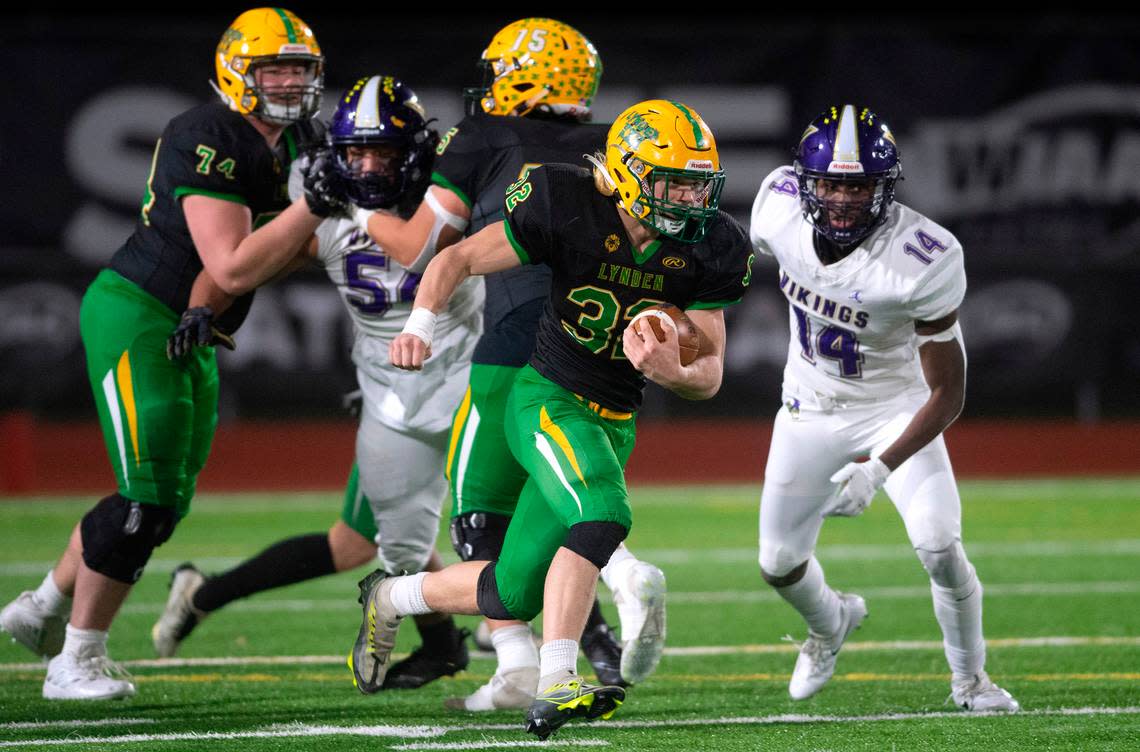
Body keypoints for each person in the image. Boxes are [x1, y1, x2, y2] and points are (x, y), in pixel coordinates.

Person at [357, 99, 755, 739]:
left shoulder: (713, 246)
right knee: (603, 514)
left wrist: (670, 370)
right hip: (546, 397)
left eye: (695, 183)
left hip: (616, 418)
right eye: (671, 181)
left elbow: (708, 371)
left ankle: (391, 596)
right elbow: (455, 259)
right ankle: (559, 680)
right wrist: (419, 327)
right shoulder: (567, 202)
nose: (687, 198)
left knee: (509, 593)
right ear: (626, 172)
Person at [0, 8, 326, 700]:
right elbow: (235, 263)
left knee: (165, 499)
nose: (291, 84)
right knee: (143, 502)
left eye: (301, 69)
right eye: (276, 69)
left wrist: (322, 229)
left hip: (193, 321)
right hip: (139, 313)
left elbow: (277, 256)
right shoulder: (207, 132)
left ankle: (42, 607)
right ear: (239, 72)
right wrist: (316, 210)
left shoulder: (301, 140)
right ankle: (73, 661)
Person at [356, 18, 667, 710]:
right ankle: (538, 661)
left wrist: (357, 205)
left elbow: (424, 248)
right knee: (564, 509)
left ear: (532, 75)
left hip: (515, 349)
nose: (492, 85)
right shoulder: (616, 149)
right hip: (600, 356)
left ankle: (567, 637)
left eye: (504, 72)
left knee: (489, 526)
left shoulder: (484, 138)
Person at [149, 75, 478, 690]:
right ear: (337, 154)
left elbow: (438, 248)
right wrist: (201, 301)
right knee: (372, 544)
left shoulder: (452, 192)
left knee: (467, 526)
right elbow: (244, 263)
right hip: (393, 396)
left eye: (384, 151)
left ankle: (504, 641)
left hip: (470, 382)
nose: (370, 165)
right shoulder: (321, 208)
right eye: (357, 152)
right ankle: (465, 639)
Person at [748, 103, 1019, 712]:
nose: (842, 199)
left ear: (885, 187)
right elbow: (729, 264)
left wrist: (881, 466)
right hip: (808, 406)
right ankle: (829, 623)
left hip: (896, 407)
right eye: (830, 184)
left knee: (939, 544)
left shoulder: (923, 258)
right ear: (806, 183)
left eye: (859, 185)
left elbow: (950, 391)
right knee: (778, 563)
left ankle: (971, 680)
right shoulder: (777, 207)